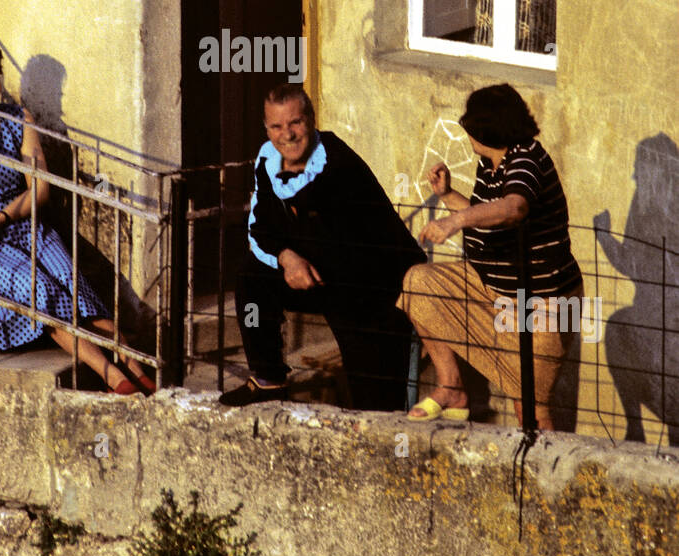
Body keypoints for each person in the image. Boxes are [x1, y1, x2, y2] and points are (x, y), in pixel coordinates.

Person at [0, 35, 154, 396]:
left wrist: (5, 217)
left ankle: (138, 367)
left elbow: (39, 188)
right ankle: (113, 377)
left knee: (72, 282)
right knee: (39, 290)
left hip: (22, 225)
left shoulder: (17, 121)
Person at [219, 83, 425, 410]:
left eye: (295, 123)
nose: (286, 134)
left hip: (374, 283)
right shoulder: (267, 159)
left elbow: (351, 247)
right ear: (266, 128)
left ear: (312, 120)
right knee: (251, 274)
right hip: (322, 274)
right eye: (276, 126)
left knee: (375, 405)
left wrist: (299, 258)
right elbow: (260, 228)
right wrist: (287, 258)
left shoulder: (336, 164)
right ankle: (268, 379)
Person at [399, 83, 583, 431]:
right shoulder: (492, 161)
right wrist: (449, 195)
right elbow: (488, 213)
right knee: (418, 283)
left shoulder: (526, 159)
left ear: (486, 130)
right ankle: (451, 388)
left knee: (527, 405)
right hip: (490, 287)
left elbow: (514, 208)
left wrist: (455, 221)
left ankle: (540, 474)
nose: (466, 132)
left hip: (538, 304)